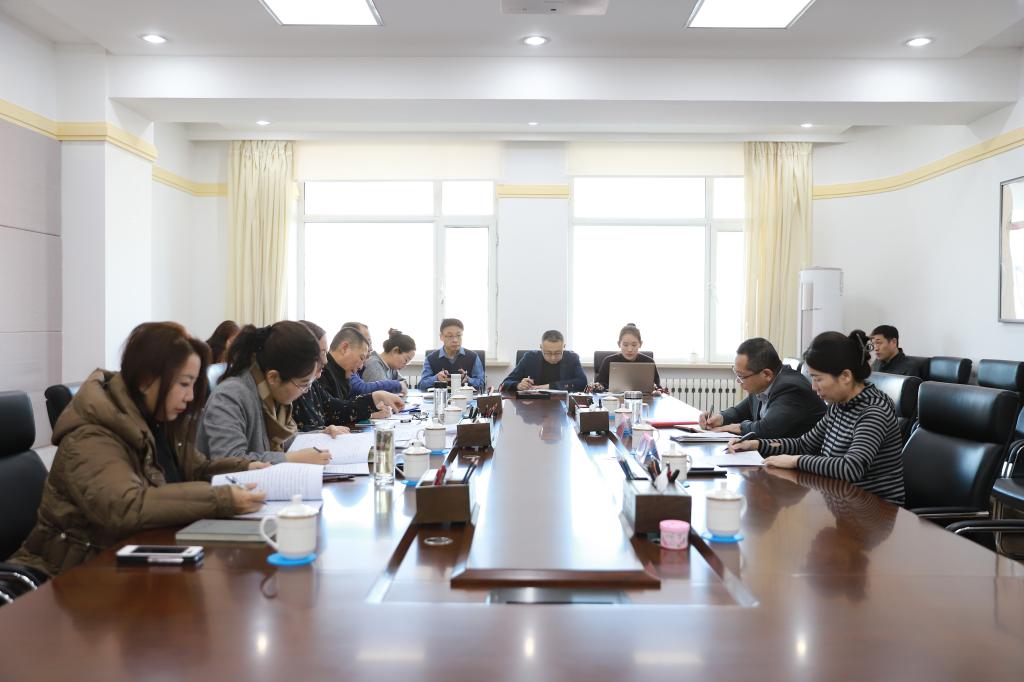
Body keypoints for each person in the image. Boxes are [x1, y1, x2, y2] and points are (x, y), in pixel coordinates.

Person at [8, 322, 267, 578]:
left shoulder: (158, 420)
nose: (190, 397)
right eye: (184, 384)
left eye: (193, 384)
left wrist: (247, 468)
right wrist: (221, 499)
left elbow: (197, 469)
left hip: (131, 559)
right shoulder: (92, 435)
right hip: (70, 574)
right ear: (146, 381)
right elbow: (125, 506)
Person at [729, 330, 905, 505]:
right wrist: (756, 444)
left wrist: (796, 461)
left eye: (818, 379)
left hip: (875, 509)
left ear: (845, 376)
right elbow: (803, 444)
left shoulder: (874, 410)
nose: (813, 387)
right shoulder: (839, 405)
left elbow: (851, 467)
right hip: (841, 500)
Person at [197, 321, 332, 465]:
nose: (306, 391)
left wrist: (322, 435)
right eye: (304, 384)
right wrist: (290, 458)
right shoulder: (229, 397)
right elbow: (229, 460)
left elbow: (286, 441)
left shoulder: (271, 394)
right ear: (273, 377)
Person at [701, 337, 825, 438]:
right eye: (736, 374)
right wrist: (720, 418)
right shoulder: (762, 385)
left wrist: (731, 428)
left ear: (766, 374)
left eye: (741, 376)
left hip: (801, 457)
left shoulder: (791, 389)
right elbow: (741, 411)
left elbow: (766, 429)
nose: (738, 381)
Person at [315, 325, 405, 422]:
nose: (361, 367)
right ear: (344, 348)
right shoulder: (322, 373)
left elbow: (344, 408)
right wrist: (373, 403)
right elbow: (329, 414)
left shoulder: (343, 374)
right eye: (361, 358)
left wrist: (370, 410)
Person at [501, 330, 587, 393]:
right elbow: (505, 383)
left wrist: (549, 386)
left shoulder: (572, 358)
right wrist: (518, 385)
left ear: (563, 347)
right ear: (541, 347)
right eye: (548, 353)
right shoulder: (529, 358)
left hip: (563, 405)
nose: (553, 357)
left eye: (558, 353)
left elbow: (582, 383)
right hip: (533, 406)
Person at [417, 318, 485, 390]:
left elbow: (482, 384)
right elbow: (422, 385)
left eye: (458, 335)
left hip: (465, 396)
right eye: (450, 336)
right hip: (440, 396)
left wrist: (468, 379)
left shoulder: (473, 357)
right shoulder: (431, 358)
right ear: (441, 337)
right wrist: (436, 378)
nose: (455, 340)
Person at [341, 322, 406, 396]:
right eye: (367, 343)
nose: (371, 348)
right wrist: (398, 385)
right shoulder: (372, 363)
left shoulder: (356, 367)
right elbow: (361, 389)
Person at [592, 323, 661, 392]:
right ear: (619, 344)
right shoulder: (608, 361)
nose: (629, 349)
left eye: (634, 345)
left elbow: (658, 387)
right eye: (625, 345)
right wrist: (598, 387)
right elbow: (598, 386)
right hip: (614, 398)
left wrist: (656, 390)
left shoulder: (649, 362)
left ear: (640, 344)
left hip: (643, 398)